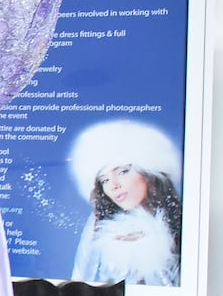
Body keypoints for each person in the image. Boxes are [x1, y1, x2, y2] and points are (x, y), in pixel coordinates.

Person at [69, 119, 182, 286]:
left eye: (122, 171)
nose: (114, 185)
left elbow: (173, 289)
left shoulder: (183, 219)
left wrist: (149, 245)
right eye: (105, 180)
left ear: (149, 172)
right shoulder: (100, 225)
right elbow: (79, 284)